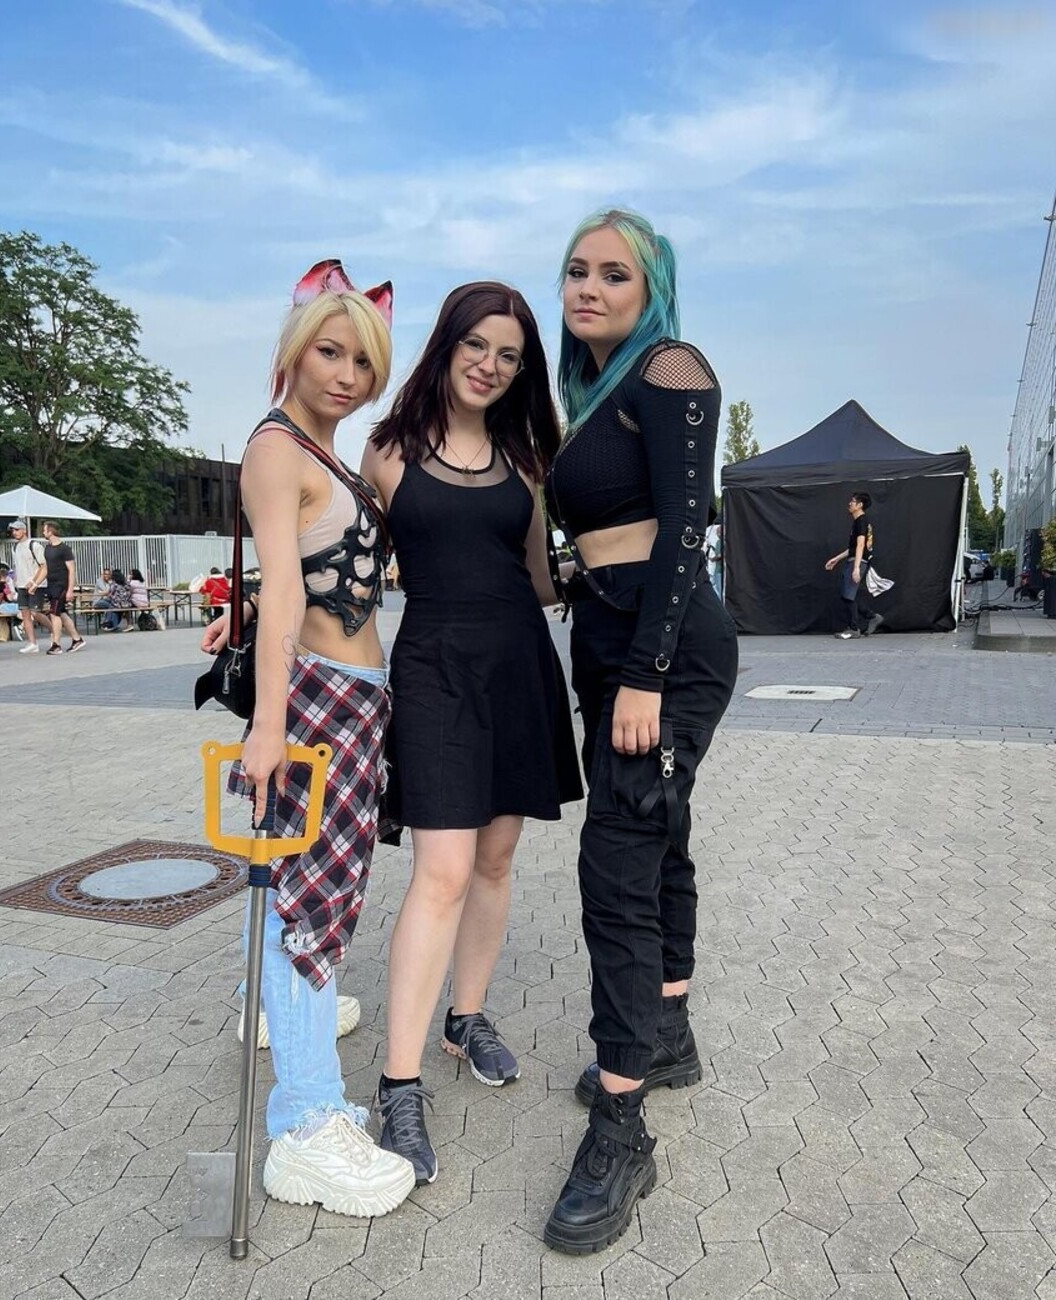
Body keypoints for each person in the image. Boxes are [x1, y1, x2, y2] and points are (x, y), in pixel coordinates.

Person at [199, 257, 415, 1218]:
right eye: (330, 353)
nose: (346, 375)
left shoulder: (324, 453)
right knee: (308, 905)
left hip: (354, 698)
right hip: (317, 700)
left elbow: (303, 567)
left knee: (324, 898)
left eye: (363, 362)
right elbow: (288, 590)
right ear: (293, 350)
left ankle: (305, 1048)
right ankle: (304, 1127)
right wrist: (269, 725)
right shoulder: (277, 448)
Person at [542, 209, 738, 1253]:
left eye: (614, 274)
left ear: (651, 288)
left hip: (660, 649)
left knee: (615, 863)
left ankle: (621, 1128)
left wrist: (646, 674)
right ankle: (665, 1034)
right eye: (576, 271)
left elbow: (687, 527)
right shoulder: (593, 394)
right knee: (656, 834)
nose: (589, 287)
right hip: (611, 637)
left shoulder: (670, 366)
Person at [361, 282, 582, 1187]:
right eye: (478, 346)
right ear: (447, 345)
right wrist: (260, 618)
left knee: (494, 861)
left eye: (510, 356)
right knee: (442, 870)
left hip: (517, 668)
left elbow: (538, 579)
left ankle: (467, 1016)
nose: (491, 366)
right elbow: (344, 566)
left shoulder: (525, 460)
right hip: (433, 673)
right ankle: (397, 1083)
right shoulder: (386, 453)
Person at [825, 492, 881, 638]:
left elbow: (861, 545)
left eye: (853, 501)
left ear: (860, 505)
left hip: (858, 562)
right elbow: (853, 548)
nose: (849, 504)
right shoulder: (860, 521)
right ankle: (872, 617)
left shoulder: (861, 521)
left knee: (848, 595)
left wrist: (856, 568)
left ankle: (854, 629)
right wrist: (836, 559)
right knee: (849, 595)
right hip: (857, 560)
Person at [29, 521, 86, 655]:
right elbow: (46, 569)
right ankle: (77, 639)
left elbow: (72, 570)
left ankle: (56, 644)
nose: (43, 532)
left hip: (61, 585)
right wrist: (35, 584)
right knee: (61, 613)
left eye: (44, 530)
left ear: (51, 531)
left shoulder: (64, 549)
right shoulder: (48, 548)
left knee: (54, 614)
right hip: (51, 584)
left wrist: (70, 589)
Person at [7, 520, 52, 653]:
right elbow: (17, 565)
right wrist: (15, 580)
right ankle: (32, 642)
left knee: (35, 612)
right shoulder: (15, 547)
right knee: (25, 613)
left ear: (24, 530)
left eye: (17, 530)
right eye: (13, 530)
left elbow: (43, 565)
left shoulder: (34, 545)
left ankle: (54, 630)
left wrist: (34, 581)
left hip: (36, 584)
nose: (14, 532)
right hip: (21, 584)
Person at [704, 515, 723, 600]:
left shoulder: (710, 530)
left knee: (716, 585)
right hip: (716, 566)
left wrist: (712, 558)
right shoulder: (712, 531)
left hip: (716, 566)